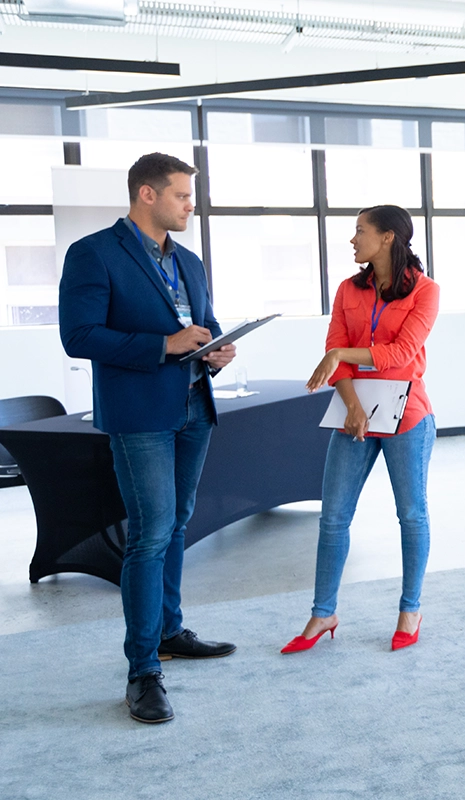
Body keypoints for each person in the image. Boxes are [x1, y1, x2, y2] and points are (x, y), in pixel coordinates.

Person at [58, 152, 239, 724]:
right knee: (149, 535)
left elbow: (199, 326)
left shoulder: (188, 260)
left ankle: (168, 632)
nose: (191, 205)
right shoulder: (93, 253)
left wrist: (214, 353)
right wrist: (165, 346)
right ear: (147, 194)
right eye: (183, 196)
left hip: (192, 406)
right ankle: (142, 670)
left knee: (176, 525)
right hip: (139, 414)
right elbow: (79, 335)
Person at [282, 205, 439, 654]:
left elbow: (400, 353)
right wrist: (352, 404)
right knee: (333, 517)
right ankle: (322, 612)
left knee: (411, 514)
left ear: (389, 237)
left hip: (407, 417)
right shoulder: (348, 289)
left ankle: (411, 608)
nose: (352, 240)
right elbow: (334, 347)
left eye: (360, 231)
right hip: (354, 413)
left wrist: (341, 357)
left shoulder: (426, 292)